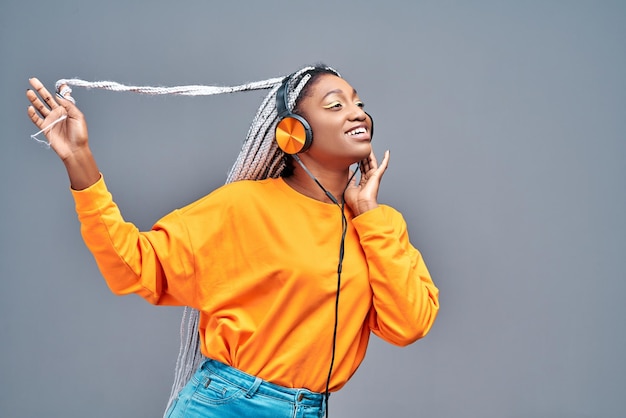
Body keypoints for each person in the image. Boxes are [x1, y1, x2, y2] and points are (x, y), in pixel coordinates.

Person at [26, 64, 439, 418]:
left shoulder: (378, 227)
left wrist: (367, 213)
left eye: (359, 104)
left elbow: (410, 324)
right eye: (336, 105)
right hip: (227, 406)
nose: (358, 114)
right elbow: (132, 264)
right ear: (294, 133)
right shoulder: (243, 207)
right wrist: (79, 158)